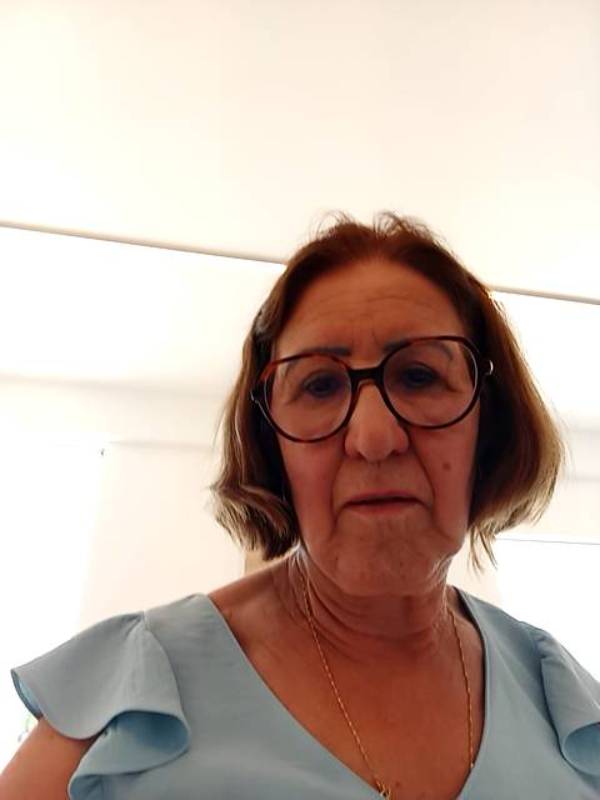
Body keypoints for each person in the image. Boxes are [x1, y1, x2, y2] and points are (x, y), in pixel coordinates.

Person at [2, 214, 599, 800]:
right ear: (273, 444)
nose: (373, 437)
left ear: (489, 424)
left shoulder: (566, 705)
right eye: (319, 385)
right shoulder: (127, 700)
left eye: (419, 376)